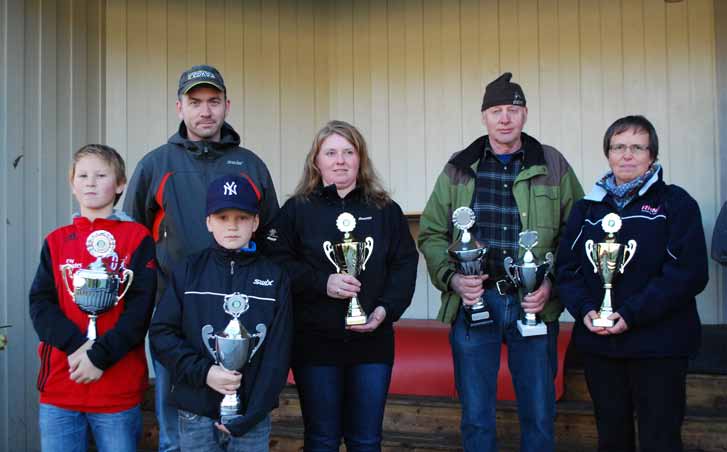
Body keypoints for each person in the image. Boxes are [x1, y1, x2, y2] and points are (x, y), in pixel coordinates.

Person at [417, 72, 584, 452]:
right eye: (496, 110)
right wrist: (453, 279)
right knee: (475, 415)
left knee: (540, 413)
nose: (504, 118)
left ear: (525, 115)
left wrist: (550, 284)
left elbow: (576, 234)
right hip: (476, 301)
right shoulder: (459, 168)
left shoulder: (553, 164)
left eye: (513, 109)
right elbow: (431, 233)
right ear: (484, 117)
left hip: (534, 306)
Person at [123, 64, 279, 452]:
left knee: (238, 429)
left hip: (240, 320)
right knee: (178, 436)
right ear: (179, 107)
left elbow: (273, 238)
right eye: (195, 103)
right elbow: (132, 242)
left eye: (213, 102)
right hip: (178, 320)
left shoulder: (251, 164)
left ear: (227, 105)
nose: (205, 111)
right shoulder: (155, 165)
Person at [556, 115, 708, 452]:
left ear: (652, 155)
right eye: (619, 147)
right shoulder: (587, 209)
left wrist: (631, 314)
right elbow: (566, 270)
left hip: (660, 347)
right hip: (600, 346)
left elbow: (689, 273)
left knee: (660, 439)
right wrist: (585, 311)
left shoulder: (676, 204)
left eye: (637, 147)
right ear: (607, 154)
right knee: (611, 438)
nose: (627, 154)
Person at [268, 120, 418, 451]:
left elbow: (405, 263)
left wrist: (385, 310)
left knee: (366, 440)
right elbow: (277, 263)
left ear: (360, 159)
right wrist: (323, 282)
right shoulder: (296, 210)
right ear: (316, 161)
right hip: (315, 344)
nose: (340, 160)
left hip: (372, 342)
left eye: (349, 152)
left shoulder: (384, 210)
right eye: (331, 152)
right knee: (321, 439)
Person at [149, 174, 292, 452]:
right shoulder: (189, 271)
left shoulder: (275, 277)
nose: (232, 226)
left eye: (241, 217)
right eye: (223, 217)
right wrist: (205, 373)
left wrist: (255, 411)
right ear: (208, 222)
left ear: (256, 222)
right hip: (196, 411)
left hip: (251, 415)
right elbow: (161, 334)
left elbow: (279, 351)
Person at [29, 144, 157, 452]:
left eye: (101, 175)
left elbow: (139, 311)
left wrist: (99, 356)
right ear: (72, 185)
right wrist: (76, 346)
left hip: (116, 388)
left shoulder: (137, 238)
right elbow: (40, 304)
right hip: (62, 384)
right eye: (82, 175)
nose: (90, 182)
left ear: (120, 184)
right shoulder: (56, 241)